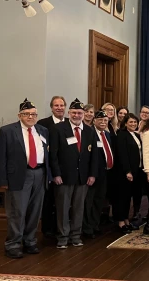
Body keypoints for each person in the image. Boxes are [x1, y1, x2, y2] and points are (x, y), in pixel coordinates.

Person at [0, 98, 50, 259]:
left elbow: (47, 153)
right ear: (19, 115)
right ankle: (13, 244)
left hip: (40, 174)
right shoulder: (8, 130)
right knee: (17, 212)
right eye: (26, 114)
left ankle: (30, 241)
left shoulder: (42, 130)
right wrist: (3, 180)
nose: (30, 117)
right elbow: (2, 158)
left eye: (33, 114)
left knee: (35, 211)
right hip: (19, 176)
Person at [49, 98, 98, 249]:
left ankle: (76, 236)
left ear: (84, 114)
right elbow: (53, 155)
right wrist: (56, 174)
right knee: (62, 207)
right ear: (68, 113)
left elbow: (94, 155)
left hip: (83, 177)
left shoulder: (90, 131)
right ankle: (63, 237)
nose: (77, 115)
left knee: (79, 207)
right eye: (74, 112)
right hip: (63, 177)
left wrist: (92, 174)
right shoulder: (58, 128)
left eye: (80, 113)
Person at [37, 96, 66, 238]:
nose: (59, 108)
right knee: (48, 200)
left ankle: (59, 228)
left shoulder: (69, 123)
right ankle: (47, 229)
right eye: (56, 105)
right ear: (51, 107)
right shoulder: (43, 124)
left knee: (62, 202)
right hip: (49, 169)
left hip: (65, 170)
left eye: (61, 105)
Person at [82, 110, 113, 239]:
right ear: (94, 120)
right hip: (93, 174)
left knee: (99, 201)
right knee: (89, 202)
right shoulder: (90, 133)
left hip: (105, 174)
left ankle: (95, 225)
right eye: (100, 120)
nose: (103, 122)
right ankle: (87, 228)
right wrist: (91, 174)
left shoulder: (107, 134)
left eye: (105, 120)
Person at [114, 113, 144, 234]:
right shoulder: (122, 135)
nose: (133, 124)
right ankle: (121, 222)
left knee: (129, 197)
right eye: (130, 122)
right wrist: (127, 171)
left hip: (137, 170)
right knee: (122, 197)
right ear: (125, 123)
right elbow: (122, 155)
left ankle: (126, 220)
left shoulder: (136, 135)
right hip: (125, 172)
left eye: (135, 122)